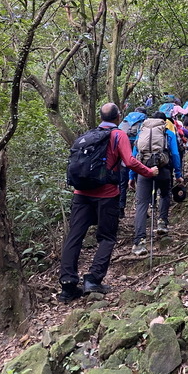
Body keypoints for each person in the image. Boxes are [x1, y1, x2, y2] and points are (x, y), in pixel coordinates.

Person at [58, 102, 159, 303]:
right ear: (118, 117)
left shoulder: (88, 135)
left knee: (74, 236)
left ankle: (68, 285)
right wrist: (149, 172)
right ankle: (93, 279)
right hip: (106, 194)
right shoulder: (118, 135)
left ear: (101, 117)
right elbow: (129, 161)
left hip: (81, 193)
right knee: (107, 237)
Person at [130, 111, 184, 257]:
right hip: (163, 170)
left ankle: (139, 242)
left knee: (141, 204)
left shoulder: (142, 132)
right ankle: (162, 222)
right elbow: (175, 154)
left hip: (143, 171)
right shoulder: (168, 134)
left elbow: (134, 155)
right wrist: (178, 174)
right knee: (165, 195)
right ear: (163, 122)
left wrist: (131, 176)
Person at [118, 106, 148, 219]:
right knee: (140, 180)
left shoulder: (125, 120)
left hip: (123, 150)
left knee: (122, 182)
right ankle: (143, 210)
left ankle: (121, 208)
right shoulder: (144, 121)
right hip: (137, 151)